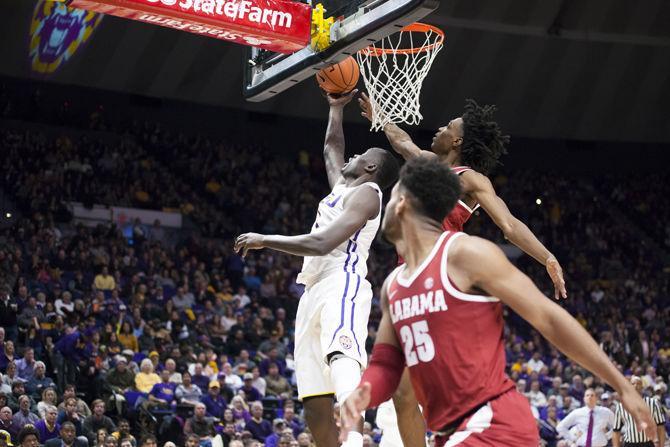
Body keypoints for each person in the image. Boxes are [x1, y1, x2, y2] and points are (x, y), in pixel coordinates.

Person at [339, 158, 655, 446]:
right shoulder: (393, 285)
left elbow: (548, 318)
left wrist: (622, 385)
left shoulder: (464, 253)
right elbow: (386, 364)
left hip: (495, 423)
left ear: (403, 205)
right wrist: (363, 393)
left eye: (391, 196)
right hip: (454, 433)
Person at [359, 95, 567, 447]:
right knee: (403, 395)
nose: (438, 128)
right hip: (410, 279)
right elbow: (402, 141)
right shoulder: (428, 166)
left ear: (456, 141)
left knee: (449, 389)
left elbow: (509, 225)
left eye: (447, 126)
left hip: (446, 278)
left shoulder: (471, 179)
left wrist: (546, 256)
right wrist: (379, 116)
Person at [235, 91, 399, 447]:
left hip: (343, 283)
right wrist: (335, 109)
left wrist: (266, 239)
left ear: (371, 168)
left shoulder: (369, 194)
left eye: (362, 155)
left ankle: (356, 438)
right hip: (313, 290)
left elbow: (322, 243)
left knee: (342, 357)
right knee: (314, 403)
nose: (354, 155)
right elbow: (330, 148)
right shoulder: (343, 186)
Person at [613, 376, 666, 447]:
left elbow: (660, 427)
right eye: (633, 383)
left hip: (648, 443)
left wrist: (661, 445)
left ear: (642, 387)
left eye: (638, 384)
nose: (636, 386)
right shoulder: (621, 406)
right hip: (630, 444)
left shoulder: (653, 403)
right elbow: (616, 431)